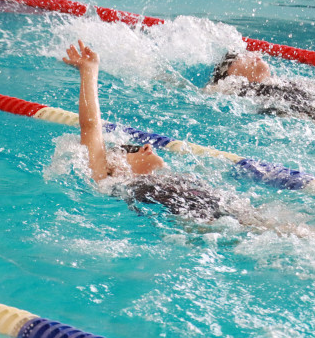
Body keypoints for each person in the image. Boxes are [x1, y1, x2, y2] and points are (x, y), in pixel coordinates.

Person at [63, 41, 290, 234]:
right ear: (110, 166)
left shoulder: (169, 178)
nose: (146, 148)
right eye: (130, 151)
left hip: (230, 212)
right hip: (209, 224)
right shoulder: (108, 181)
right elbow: (91, 127)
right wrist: (89, 72)